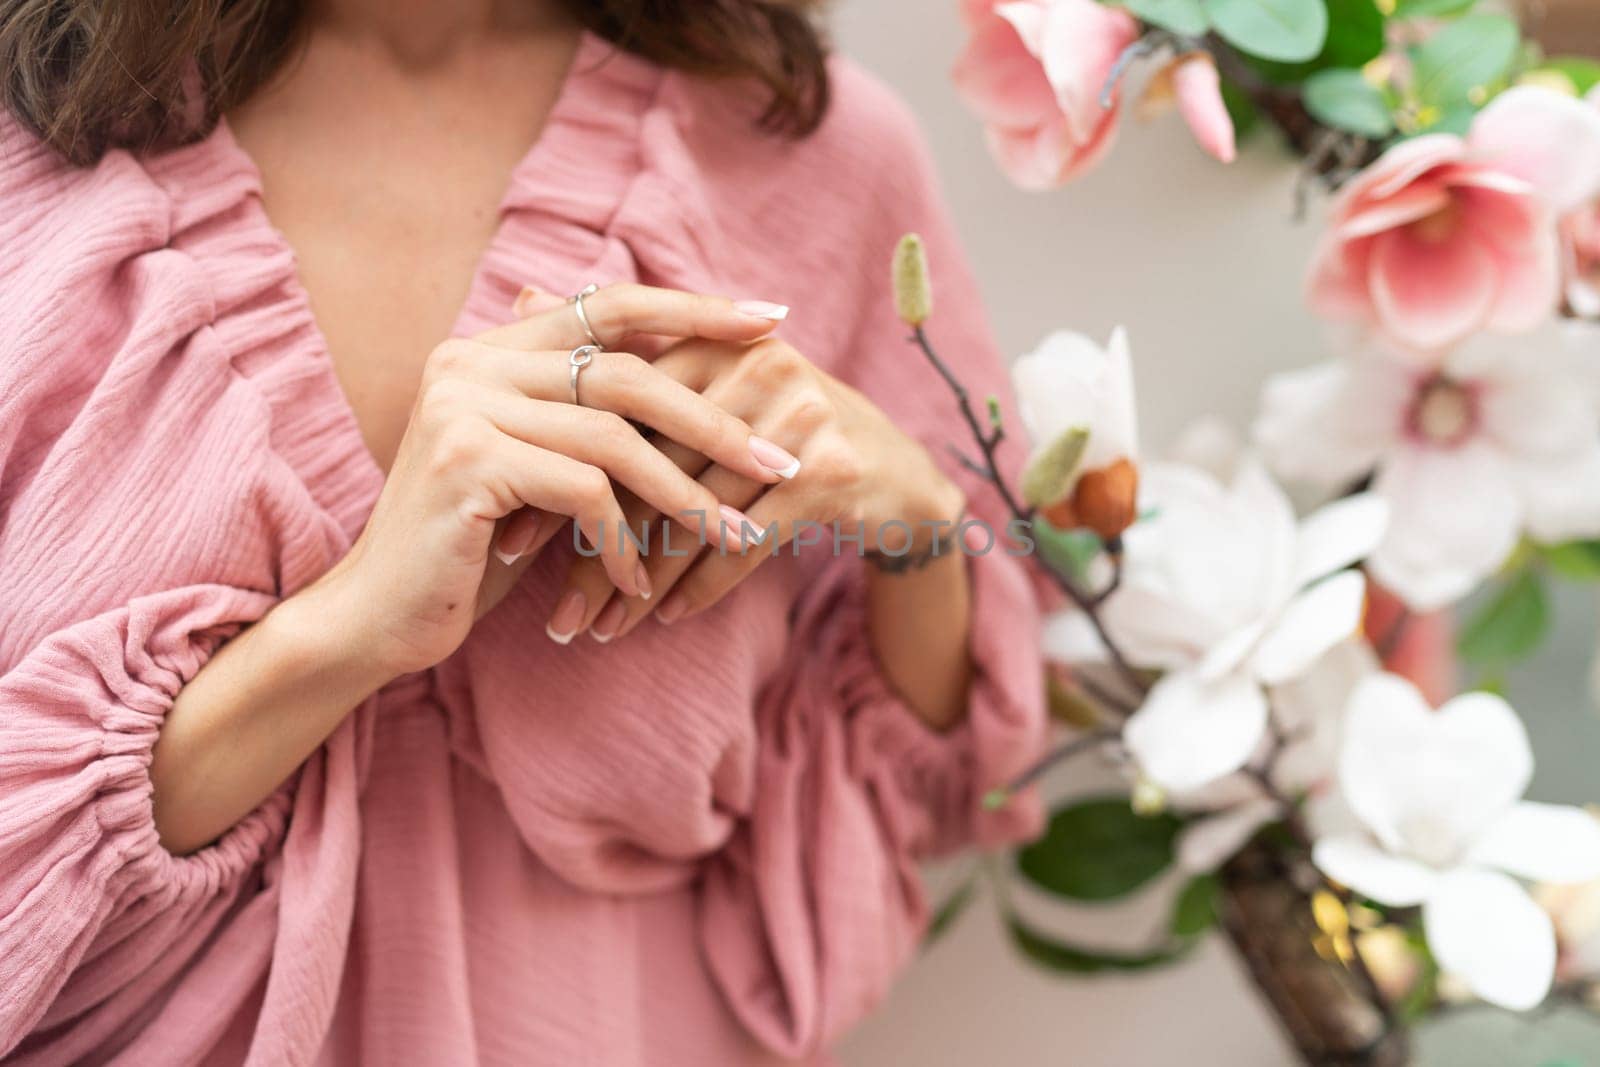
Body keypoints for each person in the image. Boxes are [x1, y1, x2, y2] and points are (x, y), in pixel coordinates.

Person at [0, 1, 1046, 1062]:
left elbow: (950, 777)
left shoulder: (805, 143)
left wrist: (916, 524)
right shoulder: (28, 156)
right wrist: (355, 623)